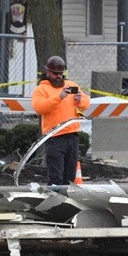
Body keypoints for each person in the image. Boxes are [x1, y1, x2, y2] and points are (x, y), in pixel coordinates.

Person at [31, 55, 90, 186]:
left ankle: (66, 202)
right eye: (55, 74)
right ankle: (53, 203)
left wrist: (80, 100)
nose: (58, 76)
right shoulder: (41, 89)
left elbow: (86, 103)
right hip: (54, 137)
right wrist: (58, 97)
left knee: (69, 177)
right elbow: (40, 107)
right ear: (47, 72)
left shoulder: (71, 85)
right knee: (56, 176)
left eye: (60, 74)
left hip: (72, 136)